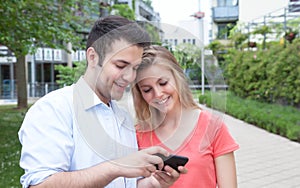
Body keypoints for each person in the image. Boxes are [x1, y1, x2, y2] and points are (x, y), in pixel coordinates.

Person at [18, 16, 186, 188]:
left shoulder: (122, 116)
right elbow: (40, 185)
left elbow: (124, 183)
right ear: (92, 57)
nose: (129, 77)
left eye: (134, 68)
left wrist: (153, 183)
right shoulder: (53, 109)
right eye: (121, 65)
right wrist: (117, 167)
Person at [132, 45, 239, 187]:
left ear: (178, 78)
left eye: (163, 83)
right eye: (147, 89)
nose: (158, 94)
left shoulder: (213, 127)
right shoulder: (137, 134)